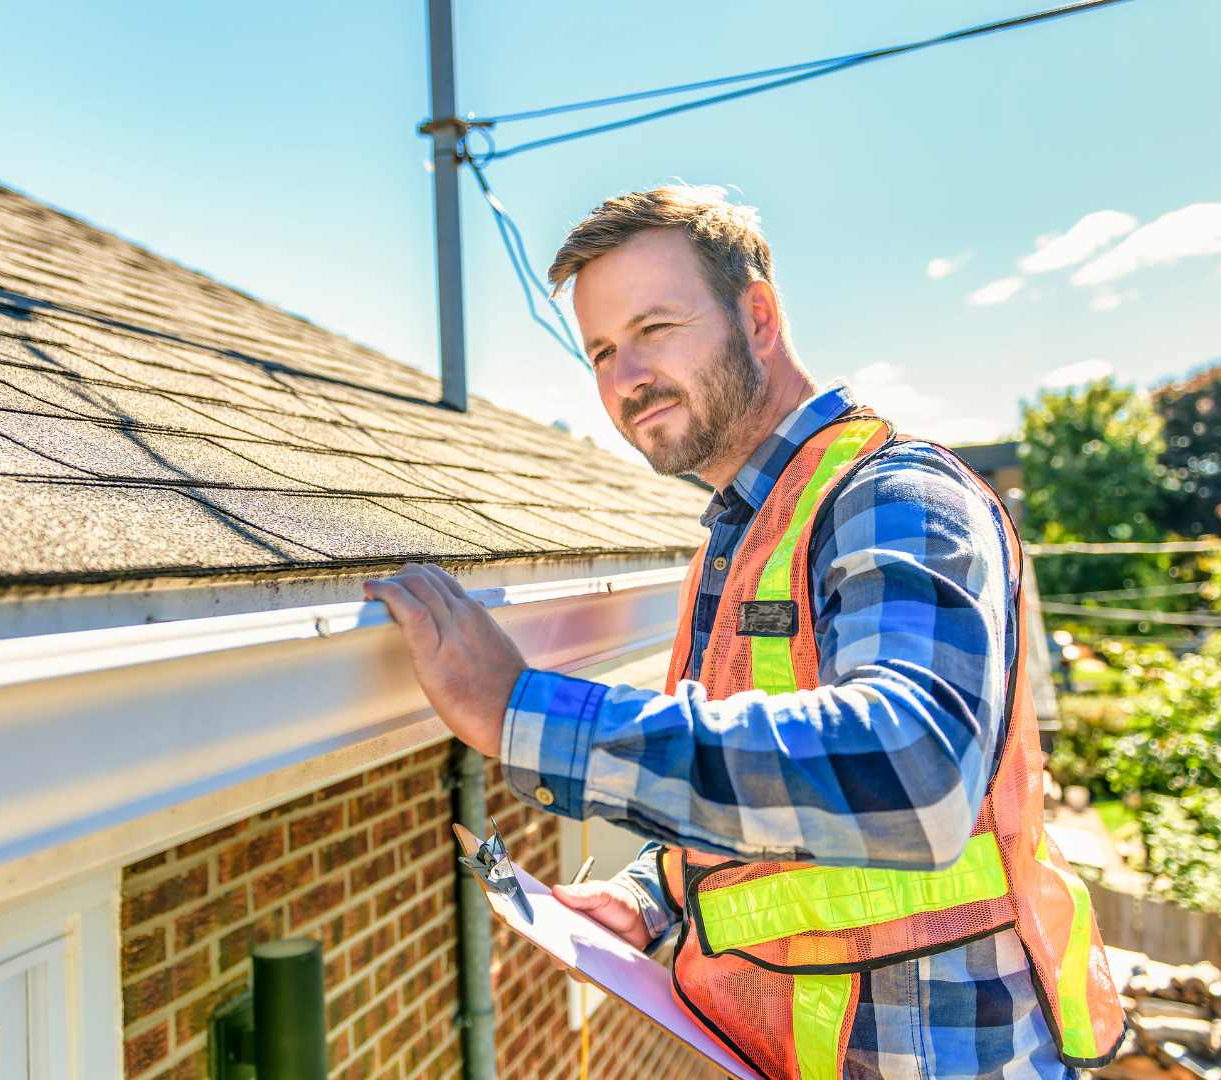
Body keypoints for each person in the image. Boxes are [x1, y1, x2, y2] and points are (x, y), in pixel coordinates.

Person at [365, 185, 1124, 1080]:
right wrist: (655, 892)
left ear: (757, 315)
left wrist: (524, 714)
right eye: (601, 350)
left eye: (654, 328)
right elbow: (772, 787)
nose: (623, 377)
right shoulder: (745, 535)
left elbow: (913, 774)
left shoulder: (892, 496)